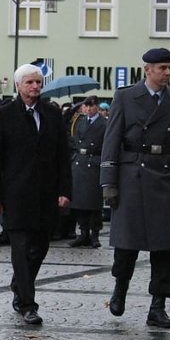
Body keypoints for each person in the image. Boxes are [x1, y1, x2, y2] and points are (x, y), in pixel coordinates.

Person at [100, 48, 170, 329]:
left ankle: (158, 305)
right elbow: (112, 139)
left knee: (163, 247)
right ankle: (120, 289)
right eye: (162, 68)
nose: (167, 73)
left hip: (166, 175)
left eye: (169, 67)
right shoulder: (126, 96)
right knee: (126, 243)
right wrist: (108, 181)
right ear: (147, 69)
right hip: (132, 173)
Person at [0, 63, 72, 325]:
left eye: (38, 82)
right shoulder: (5, 114)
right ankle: (27, 304)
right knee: (21, 249)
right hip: (16, 193)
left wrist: (64, 190)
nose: (35, 86)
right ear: (18, 86)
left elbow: (62, 155)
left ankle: (19, 283)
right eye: (30, 83)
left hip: (46, 193)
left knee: (40, 247)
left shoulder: (52, 113)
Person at [68, 96, 106, 248]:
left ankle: (94, 234)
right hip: (80, 161)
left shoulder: (104, 123)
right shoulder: (79, 121)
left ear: (97, 107)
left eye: (91, 106)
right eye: (86, 106)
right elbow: (73, 140)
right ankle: (83, 233)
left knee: (94, 203)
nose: (88, 109)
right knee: (79, 202)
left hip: (94, 161)